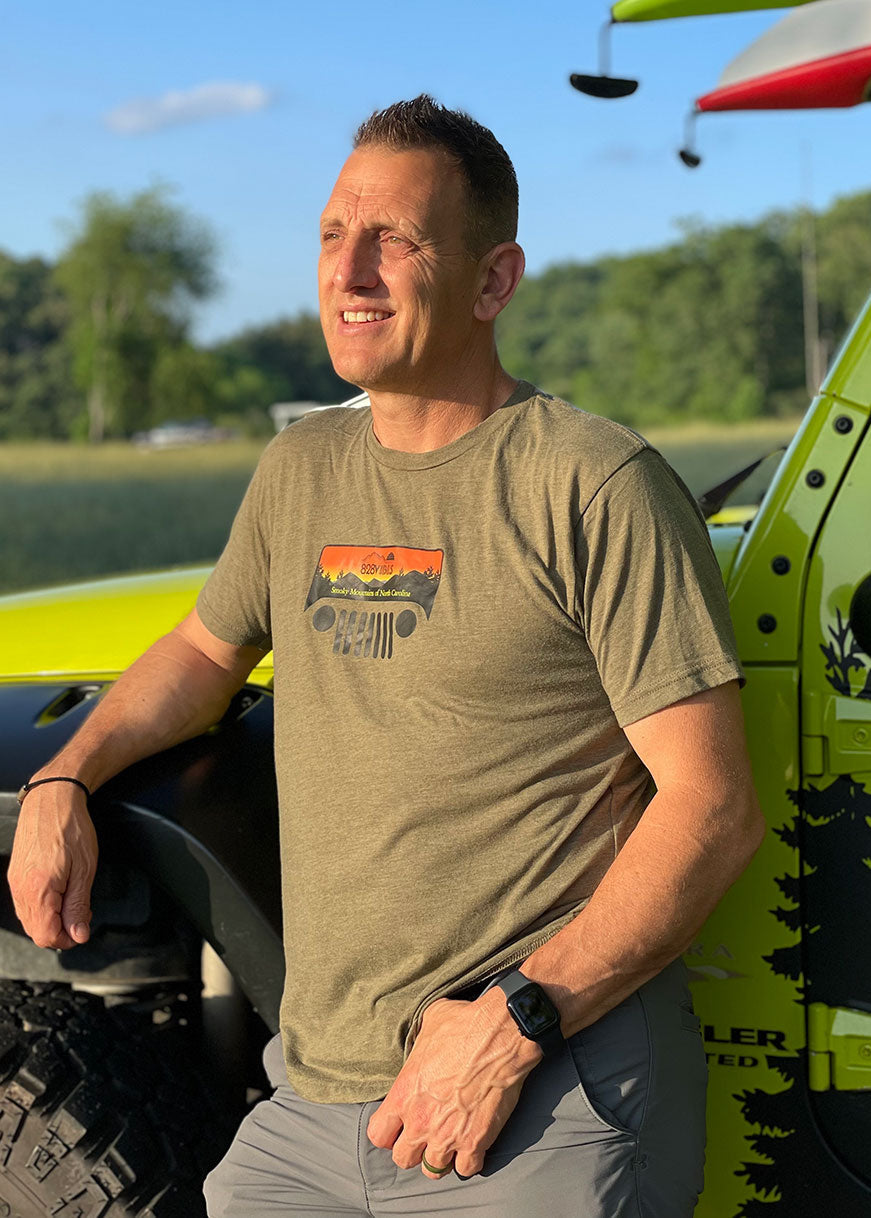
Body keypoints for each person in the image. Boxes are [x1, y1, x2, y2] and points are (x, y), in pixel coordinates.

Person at [8, 96, 764, 1217]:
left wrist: (516, 1022)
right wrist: (65, 775)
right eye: (332, 233)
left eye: (394, 239)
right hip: (316, 1102)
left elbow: (713, 809)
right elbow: (203, 654)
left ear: (493, 281)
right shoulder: (300, 468)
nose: (348, 271)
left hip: (538, 1094)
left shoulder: (591, 484)